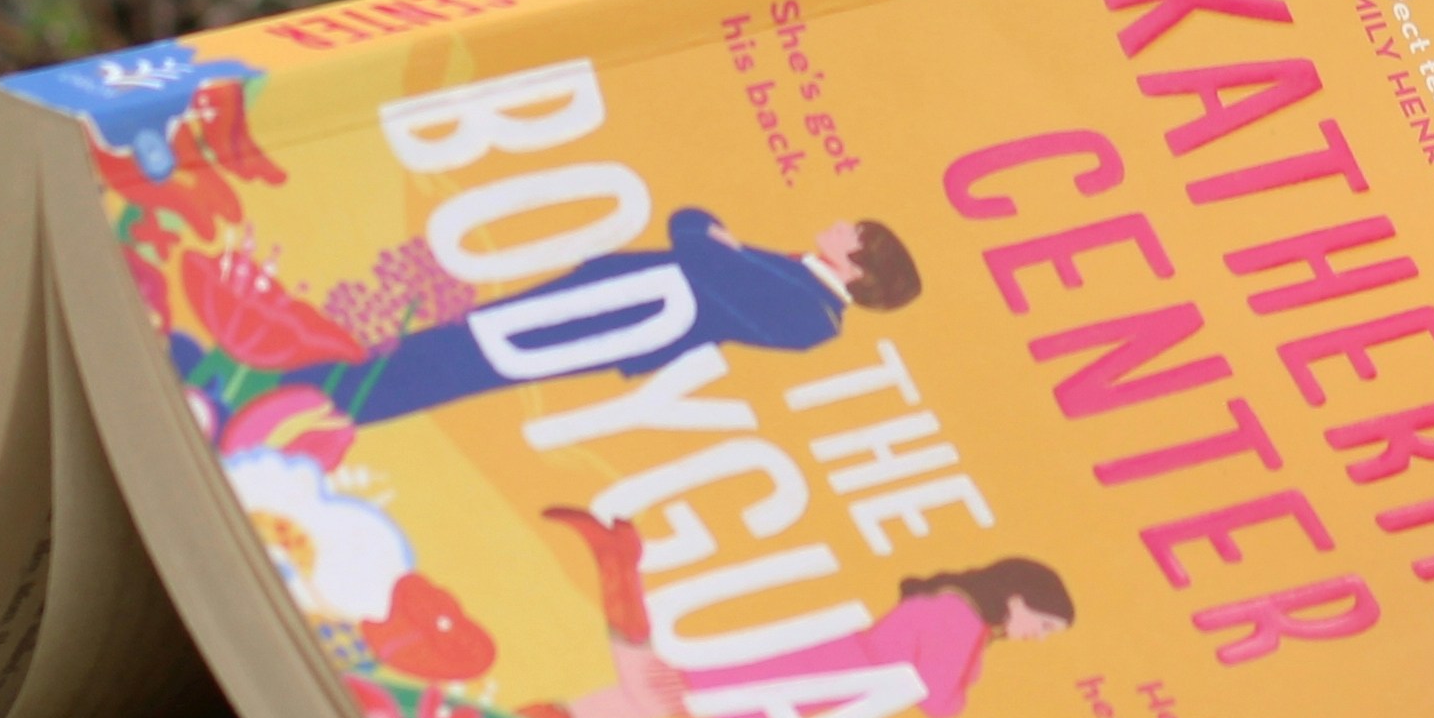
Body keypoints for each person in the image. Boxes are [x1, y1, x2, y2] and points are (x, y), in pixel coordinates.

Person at [215, 213, 920, 430]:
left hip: (607, 321)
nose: (835, 224)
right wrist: (716, 248)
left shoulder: (812, 313)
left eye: (852, 233)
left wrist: (718, 248)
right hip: (605, 302)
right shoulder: (794, 278)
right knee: (439, 346)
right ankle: (266, 387)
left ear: (860, 267)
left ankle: (279, 406)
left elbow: (705, 251)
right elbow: (697, 234)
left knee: (449, 361)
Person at [528, 514, 1073, 718]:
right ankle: (618, 566)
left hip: (809, 679)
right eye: (1043, 623)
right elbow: (937, 701)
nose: (1039, 637)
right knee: (660, 693)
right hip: (807, 680)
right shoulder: (959, 620)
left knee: (655, 696)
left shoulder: (959, 616)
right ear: (1017, 597)